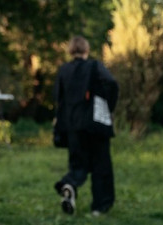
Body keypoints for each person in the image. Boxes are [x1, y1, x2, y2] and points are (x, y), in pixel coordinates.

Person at [53, 36, 119, 216]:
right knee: (101, 164)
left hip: (72, 125)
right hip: (95, 123)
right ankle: (100, 206)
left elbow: (58, 98)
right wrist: (109, 106)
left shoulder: (64, 70)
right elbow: (112, 83)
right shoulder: (94, 66)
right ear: (86, 50)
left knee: (78, 164)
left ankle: (69, 184)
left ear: (70, 50)